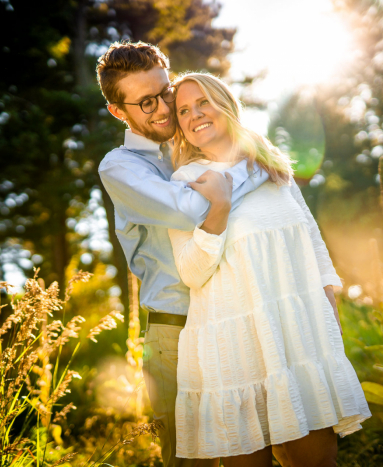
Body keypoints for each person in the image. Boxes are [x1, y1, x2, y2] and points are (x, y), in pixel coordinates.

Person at [167, 73, 372, 467]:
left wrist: (329, 307)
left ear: (225, 105)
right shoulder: (185, 183)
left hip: (297, 336)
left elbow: (311, 240)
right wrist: (220, 208)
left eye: (203, 102)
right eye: (184, 111)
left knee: (317, 461)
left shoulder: (270, 164)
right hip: (233, 347)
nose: (195, 115)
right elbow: (192, 272)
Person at [96, 42, 270, 467]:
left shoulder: (194, 144)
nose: (163, 108)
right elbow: (192, 207)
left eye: (166, 92)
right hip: (175, 332)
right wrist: (257, 166)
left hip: (232, 319)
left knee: (253, 447)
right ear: (119, 112)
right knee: (191, 460)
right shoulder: (120, 167)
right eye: (145, 102)